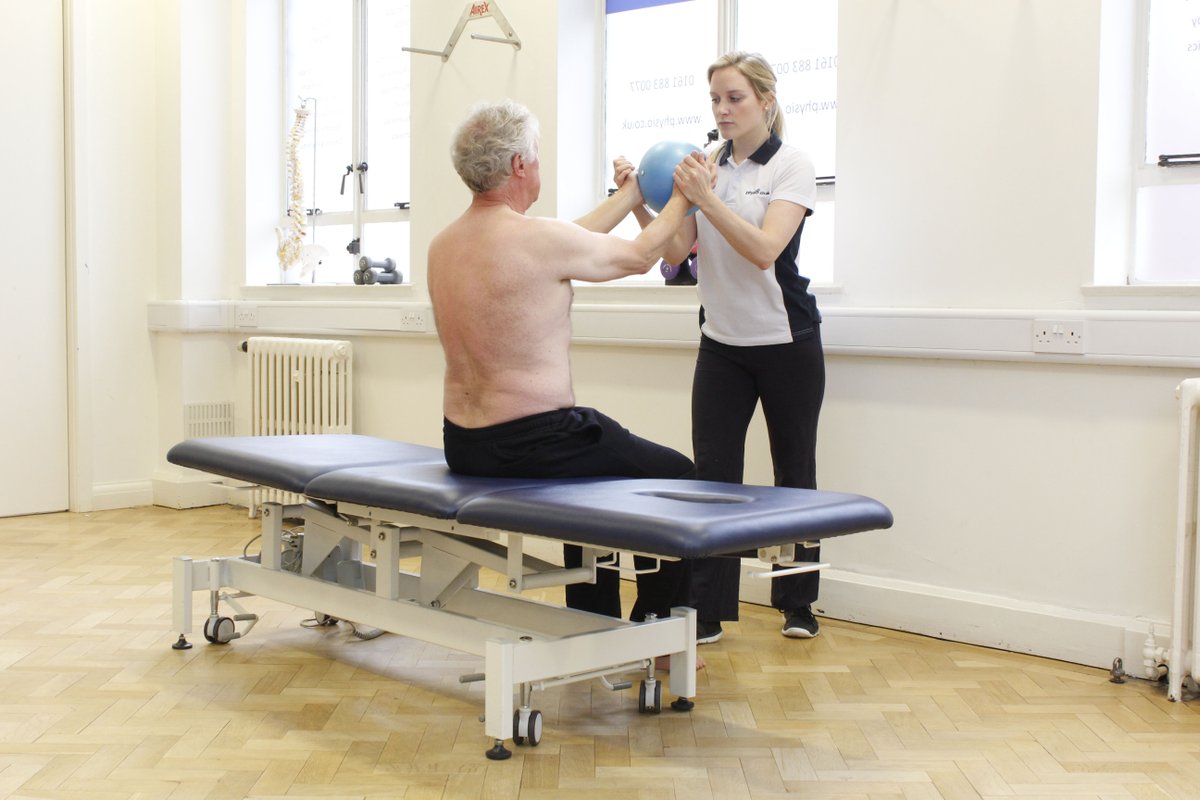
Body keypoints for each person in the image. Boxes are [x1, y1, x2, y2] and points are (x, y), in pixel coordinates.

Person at [428, 99, 697, 625]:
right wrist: (683, 196)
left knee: (590, 489)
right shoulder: (535, 239)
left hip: (465, 444)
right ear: (518, 166)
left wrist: (633, 195)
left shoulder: (445, 243)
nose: (540, 164)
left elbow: (571, 239)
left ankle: (591, 624)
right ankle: (660, 628)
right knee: (677, 478)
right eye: (537, 154)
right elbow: (643, 256)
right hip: (538, 441)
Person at [617, 52, 824, 642]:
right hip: (722, 343)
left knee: (795, 476)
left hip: (787, 341)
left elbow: (764, 249)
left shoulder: (792, 166)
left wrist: (706, 198)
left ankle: (797, 602)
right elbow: (676, 251)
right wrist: (638, 198)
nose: (723, 109)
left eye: (734, 97)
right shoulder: (706, 164)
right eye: (715, 99)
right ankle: (706, 611)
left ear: (766, 100)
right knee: (713, 480)